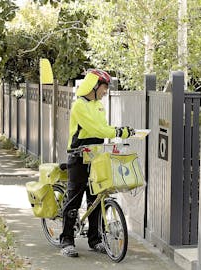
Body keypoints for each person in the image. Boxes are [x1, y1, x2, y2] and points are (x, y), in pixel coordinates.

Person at [60, 69, 135, 257]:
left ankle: (95, 240)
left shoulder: (98, 105)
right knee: (74, 198)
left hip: (96, 156)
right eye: (104, 87)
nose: (105, 92)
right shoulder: (79, 105)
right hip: (78, 156)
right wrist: (119, 132)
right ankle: (67, 240)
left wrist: (120, 132)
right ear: (94, 86)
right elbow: (97, 129)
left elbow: (103, 129)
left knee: (96, 198)